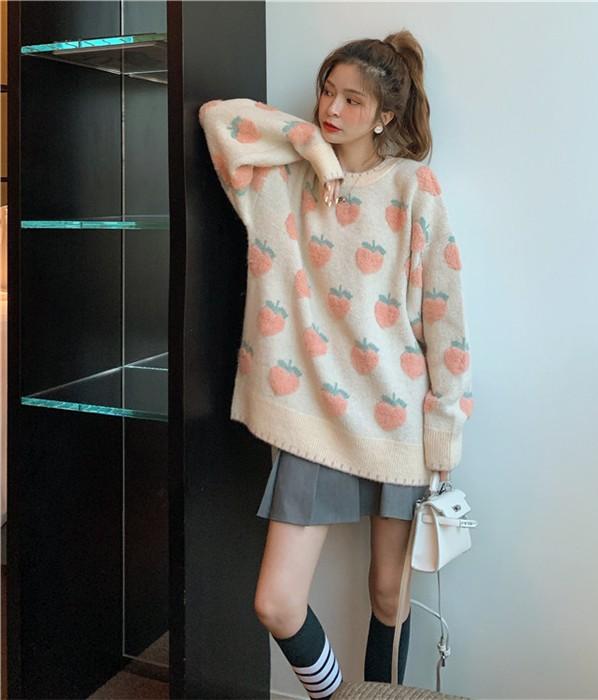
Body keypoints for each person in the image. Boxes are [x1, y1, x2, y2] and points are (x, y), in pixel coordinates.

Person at [198, 29, 473, 698]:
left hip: (396, 418)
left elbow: (445, 316)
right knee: (277, 602)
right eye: (328, 91)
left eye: (354, 99)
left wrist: (444, 427)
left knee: (388, 595)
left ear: (385, 115)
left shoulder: (412, 186)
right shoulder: (283, 177)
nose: (332, 107)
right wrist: (314, 151)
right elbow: (218, 119)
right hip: (311, 414)